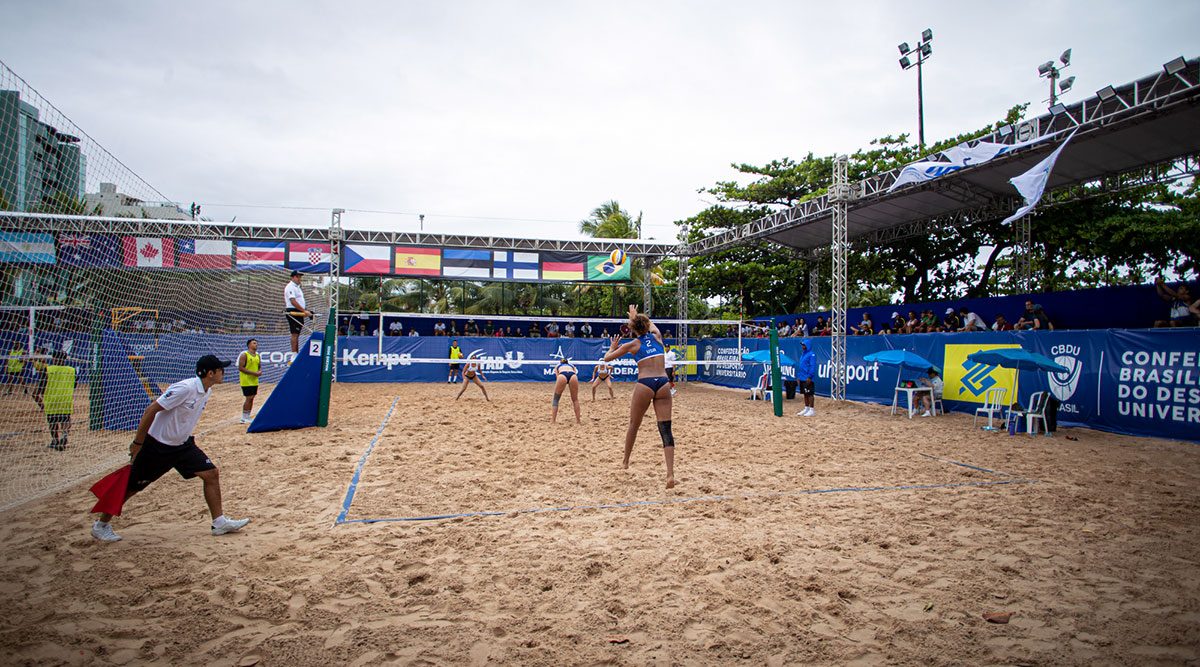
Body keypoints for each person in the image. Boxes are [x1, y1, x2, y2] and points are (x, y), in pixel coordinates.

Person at [90, 355, 251, 542]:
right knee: (132, 487)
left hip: (182, 445)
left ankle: (219, 522)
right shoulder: (185, 388)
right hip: (158, 447)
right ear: (210, 373)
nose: (224, 372)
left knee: (211, 474)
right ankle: (100, 525)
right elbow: (151, 410)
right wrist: (137, 444)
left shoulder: (206, 391)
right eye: (221, 370)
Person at [603, 305, 676, 488]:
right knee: (665, 429)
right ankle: (670, 474)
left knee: (634, 425)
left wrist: (612, 347)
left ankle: (626, 461)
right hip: (663, 383)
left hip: (646, 384)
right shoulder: (658, 337)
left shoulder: (633, 344)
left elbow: (607, 359)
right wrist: (637, 318)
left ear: (633, 329)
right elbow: (650, 324)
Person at [44, 351, 76, 451]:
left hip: (51, 400)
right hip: (65, 399)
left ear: (53, 358)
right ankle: (64, 436)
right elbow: (75, 385)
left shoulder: (48, 369)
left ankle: (55, 440)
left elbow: (42, 386)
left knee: (52, 422)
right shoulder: (72, 370)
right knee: (66, 420)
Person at [284, 271, 312, 354]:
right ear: (293, 277)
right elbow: (293, 301)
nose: (299, 279)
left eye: (300, 277)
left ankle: (296, 352)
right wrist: (304, 311)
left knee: (297, 333)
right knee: (294, 333)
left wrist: (305, 310)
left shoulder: (298, 287)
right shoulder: (290, 287)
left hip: (299, 310)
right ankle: (294, 354)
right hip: (293, 311)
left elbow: (300, 301)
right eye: (297, 277)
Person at [237, 339, 262, 424]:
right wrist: (254, 373)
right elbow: (241, 368)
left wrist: (259, 372)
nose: (256, 344)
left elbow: (259, 366)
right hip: (246, 380)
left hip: (254, 380)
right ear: (249, 345)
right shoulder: (244, 355)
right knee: (249, 398)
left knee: (252, 398)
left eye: (256, 343)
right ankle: (244, 417)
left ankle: (247, 416)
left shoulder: (257, 355)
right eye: (254, 343)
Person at [551, 358, 582, 424]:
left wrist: (560, 384)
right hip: (573, 375)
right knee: (575, 399)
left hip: (562, 375)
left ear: (560, 362)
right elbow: (575, 372)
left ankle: (553, 421)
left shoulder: (557, 366)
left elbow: (557, 376)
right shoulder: (571, 365)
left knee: (556, 399)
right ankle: (578, 420)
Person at [795, 338, 817, 417]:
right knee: (805, 393)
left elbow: (812, 366)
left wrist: (810, 376)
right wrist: (799, 376)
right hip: (802, 376)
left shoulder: (811, 354)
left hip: (808, 377)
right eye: (802, 345)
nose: (802, 346)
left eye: (804, 345)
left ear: (807, 345)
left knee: (810, 393)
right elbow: (801, 366)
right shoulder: (803, 354)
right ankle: (806, 408)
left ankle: (812, 410)